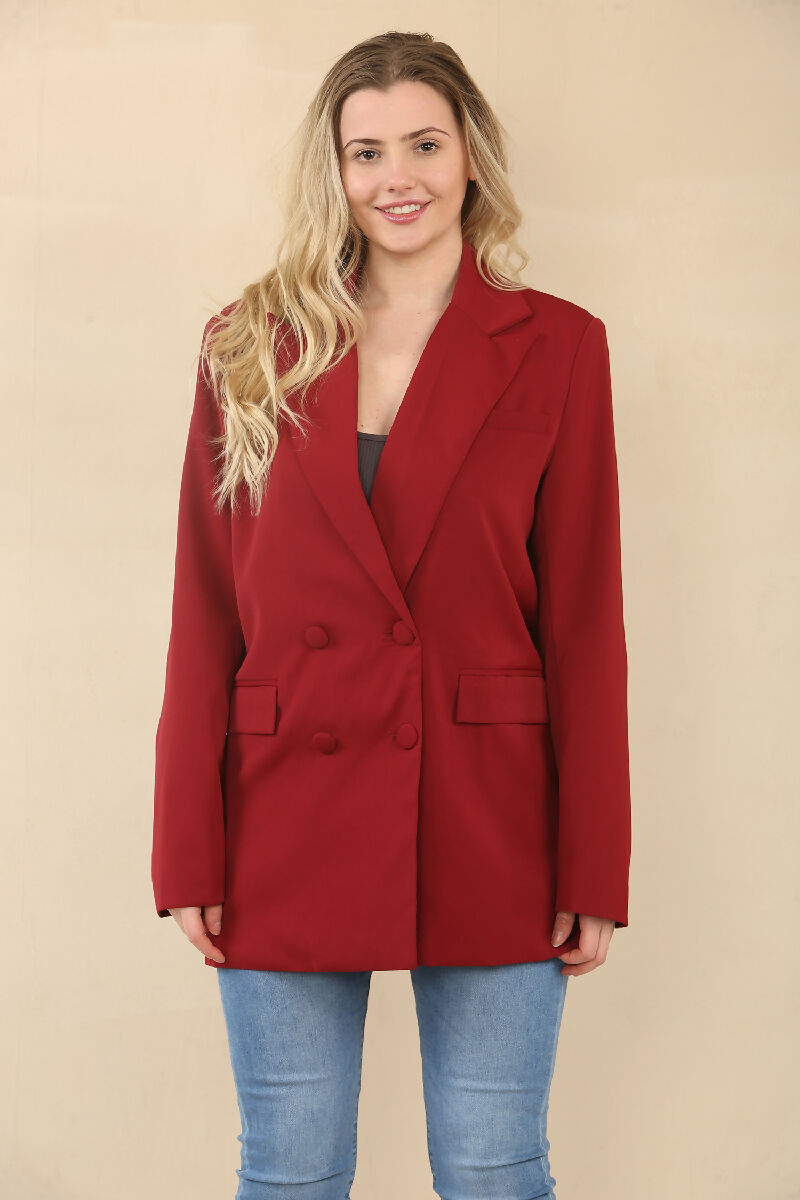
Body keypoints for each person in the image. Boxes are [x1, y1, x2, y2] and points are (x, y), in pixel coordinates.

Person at [151, 29, 631, 1200]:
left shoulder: (558, 347)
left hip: (488, 810)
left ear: (470, 155)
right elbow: (204, 610)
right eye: (364, 152)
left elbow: (582, 622)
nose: (395, 177)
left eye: (423, 144)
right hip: (281, 810)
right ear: (334, 169)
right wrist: (185, 844)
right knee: (289, 1170)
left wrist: (594, 858)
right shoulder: (246, 344)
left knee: (493, 1167)